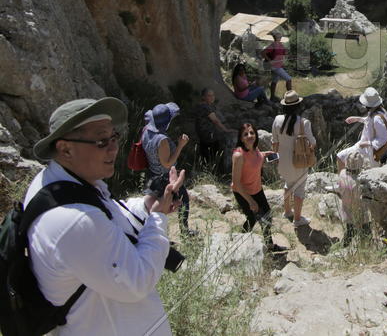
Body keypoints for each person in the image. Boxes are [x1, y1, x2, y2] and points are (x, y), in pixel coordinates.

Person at [25, 97, 185, 335]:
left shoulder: (59, 183)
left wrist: (147, 205)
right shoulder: (74, 220)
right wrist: (158, 217)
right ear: (65, 148)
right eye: (101, 141)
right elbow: (137, 280)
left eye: (113, 137)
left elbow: (107, 211)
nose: (113, 148)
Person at [142, 102, 194, 235]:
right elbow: (167, 163)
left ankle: (147, 232)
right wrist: (180, 145)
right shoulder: (162, 140)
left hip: (152, 175)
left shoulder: (146, 130)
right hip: (165, 177)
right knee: (183, 200)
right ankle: (184, 231)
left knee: (151, 207)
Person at [271, 90, 316, 227]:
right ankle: (297, 220)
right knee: (299, 190)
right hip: (298, 162)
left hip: (282, 162)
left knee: (288, 185)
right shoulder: (304, 123)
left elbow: (274, 142)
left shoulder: (277, 120)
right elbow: (313, 143)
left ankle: (287, 212)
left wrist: (276, 158)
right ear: (298, 106)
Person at [230, 123, 278, 250]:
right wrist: (250, 201)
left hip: (257, 189)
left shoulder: (254, 149)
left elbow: (256, 157)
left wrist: (266, 155)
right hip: (243, 192)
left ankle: (269, 245)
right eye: (245, 134)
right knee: (252, 219)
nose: (250, 136)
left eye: (252, 132)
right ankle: (239, 243)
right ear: (241, 138)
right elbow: (236, 184)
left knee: (267, 216)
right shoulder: (238, 155)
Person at [337, 87, 387, 172]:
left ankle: (343, 181)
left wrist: (367, 143)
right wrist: (358, 119)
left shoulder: (377, 118)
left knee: (340, 156)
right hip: (366, 147)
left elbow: (384, 138)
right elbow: (370, 121)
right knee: (342, 157)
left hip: (369, 149)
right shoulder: (380, 111)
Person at [193, 88, 234, 172]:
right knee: (213, 151)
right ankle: (214, 170)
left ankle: (206, 169)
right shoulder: (206, 107)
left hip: (202, 134)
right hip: (208, 134)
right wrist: (225, 130)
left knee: (205, 152)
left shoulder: (201, 105)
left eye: (213, 95)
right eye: (209, 95)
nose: (212, 97)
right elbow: (215, 120)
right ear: (203, 97)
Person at [337, 149, 370, 246]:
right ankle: (366, 245)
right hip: (360, 210)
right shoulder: (359, 180)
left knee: (349, 230)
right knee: (366, 229)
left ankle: (345, 245)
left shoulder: (342, 173)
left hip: (346, 208)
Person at [262, 30, 292, 102]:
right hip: (275, 66)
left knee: (274, 81)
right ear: (276, 37)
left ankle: (272, 97)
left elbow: (284, 53)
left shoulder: (280, 45)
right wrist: (270, 60)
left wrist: (288, 54)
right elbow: (263, 53)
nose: (280, 37)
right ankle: (290, 97)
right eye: (279, 35)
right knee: (288, 79)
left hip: (278, 66)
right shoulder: (272, 45)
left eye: (280, 36)